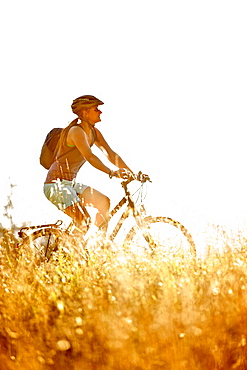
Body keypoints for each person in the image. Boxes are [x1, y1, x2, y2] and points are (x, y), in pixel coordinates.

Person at [43, 95, 133, 231]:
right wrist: (112, 172)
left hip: (69, 184)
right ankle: (73, 251)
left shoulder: (93, 132)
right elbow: (90, 156)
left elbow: (110, 153)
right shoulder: (76, 131)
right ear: (85, 113)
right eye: (96, 109)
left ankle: (100, 244)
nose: (100, 112)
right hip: (56, 185)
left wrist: (130, 172)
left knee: (104, 202)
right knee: (83, 221)